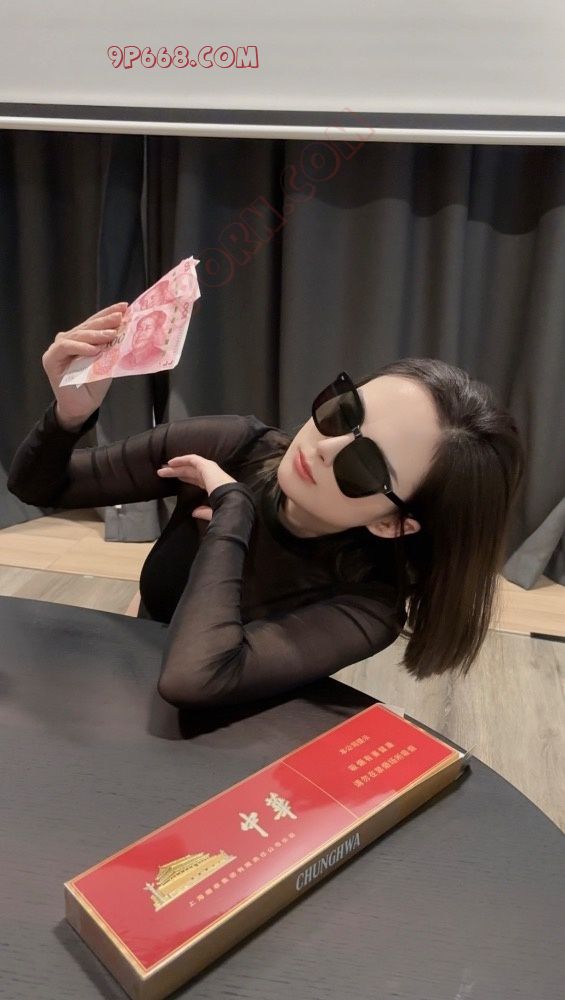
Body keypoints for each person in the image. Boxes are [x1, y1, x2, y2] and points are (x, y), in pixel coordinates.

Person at [7, 302, 525, 709]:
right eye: (343, 411)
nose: (324, 447)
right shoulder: (234, 446)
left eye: (365, 465)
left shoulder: (368, 604)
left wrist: (232, 510)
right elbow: (41, 487)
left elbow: (196, 677)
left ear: (394, 524)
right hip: (124, 691)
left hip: (231, 746)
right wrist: (70, 414)